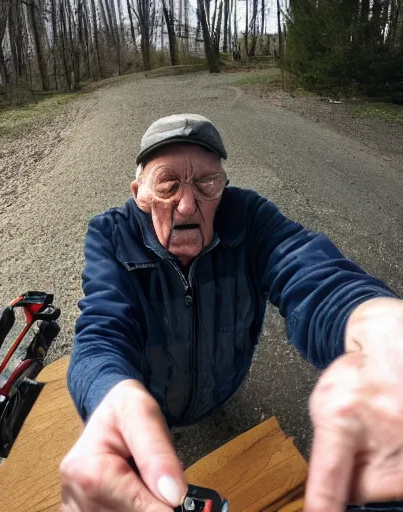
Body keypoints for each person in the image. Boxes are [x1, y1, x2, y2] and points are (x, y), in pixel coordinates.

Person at [59, 114, 403, 512]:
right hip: (150, 398)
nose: (187, 205)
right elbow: (101, 330)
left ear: (223, 188)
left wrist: (373, 320)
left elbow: (310, 273)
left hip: (223, 385)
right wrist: (108, 393)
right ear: (140, 194)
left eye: (207, 183)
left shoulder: (250, 217)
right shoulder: (110, 234)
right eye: (168, 184)